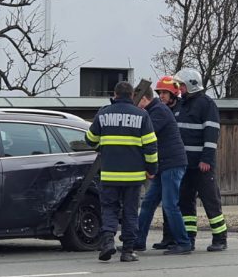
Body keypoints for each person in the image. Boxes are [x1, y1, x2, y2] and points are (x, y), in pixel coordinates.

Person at [85, 81, 158, 262]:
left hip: (109, 175)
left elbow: (90, 140)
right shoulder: (142, 115)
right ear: (132, 95)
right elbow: (151, 147)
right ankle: (127, 251)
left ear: (115, 95)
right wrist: (152, 169)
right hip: (133, 177)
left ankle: (108, 241)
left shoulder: (103, 114)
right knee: (130, 212)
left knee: (109, 209)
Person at [132, 78, 192, 255]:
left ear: (144, 99)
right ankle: (138, 241)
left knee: (170, 204)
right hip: (163, 165)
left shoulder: (158, 111)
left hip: (172, 164)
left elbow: (145, 134)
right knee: (149, 203)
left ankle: (183, 242)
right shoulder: (155, 110)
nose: (137, 106)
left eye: (137, 102)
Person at [174, 68, 228, 251]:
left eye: (181, 85)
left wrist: (206, 159)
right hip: (185, 164)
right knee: (185, 202)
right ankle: (189, 238)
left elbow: (211, 135)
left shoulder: (206, 104)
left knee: (211, 201)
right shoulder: (181, 105)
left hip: (202, 165)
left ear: (190, 84)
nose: (179, 88)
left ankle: (220, 238)